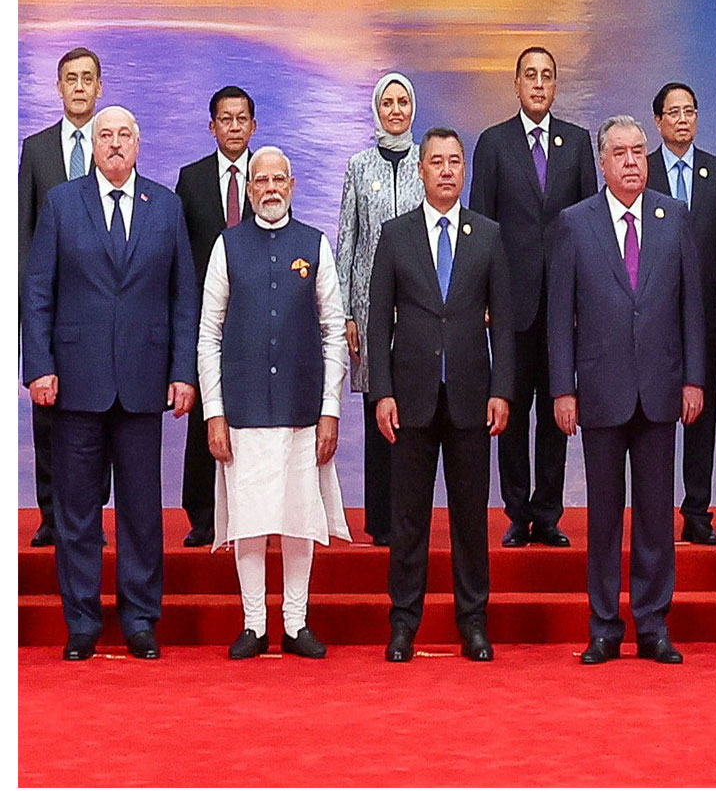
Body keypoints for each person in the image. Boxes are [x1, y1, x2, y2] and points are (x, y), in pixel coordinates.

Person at [23, 105, 198, 661]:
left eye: (125, 135)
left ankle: (141, 619)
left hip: (145, 383)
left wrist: (182, 372)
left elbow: (183, 298)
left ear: (138, 144)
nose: (116, 144)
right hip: (74, 381)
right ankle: (82, 622)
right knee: (76, 511)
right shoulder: (60, 204)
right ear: (92, 145)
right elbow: (38, 292)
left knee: (143, 510)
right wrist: (38, 365)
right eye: (106, 135)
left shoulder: (166, 207)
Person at [548, 115, 705, 664]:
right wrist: (562, 390)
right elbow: (559, 313)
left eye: (639, 151)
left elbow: (692, 306)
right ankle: (604, 626)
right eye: (621, 153)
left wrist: (693, 377)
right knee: (605, 512)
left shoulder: (673, 217)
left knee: (658, 513)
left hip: (661, 388)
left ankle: (653, 623)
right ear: (603, 162)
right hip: (599, 389)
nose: (633, 161)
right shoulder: (575, 222)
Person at [197, 146, 350, 660]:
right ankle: (254, 623)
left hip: (302, 409)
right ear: (250, 187)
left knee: (298, 516)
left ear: (292, 184)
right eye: (260, 180)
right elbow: (208, 334)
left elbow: (334, 332)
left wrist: (331, 409)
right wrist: (213, 411)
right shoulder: (228, 246)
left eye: (278, 179)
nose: (269, 188)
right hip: (242, 410)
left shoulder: (315, 244)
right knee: (251, 520)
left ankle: (296, 621)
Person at [371, 128, 514, 663]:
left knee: (471, 516)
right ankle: (404, 622)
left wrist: (503, 389)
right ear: (421, 171)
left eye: (456, 161)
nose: (448, 170)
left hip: (472, 398)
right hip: (410, 398)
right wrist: (381, 392)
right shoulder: (395, 235)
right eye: (437, 162)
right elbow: (376, 317)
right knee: (408, 518)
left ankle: (473, 623)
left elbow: (503, 324)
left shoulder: (488, 234)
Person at [470, 46, 597, 548]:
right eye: (530, 76)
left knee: (556, 410)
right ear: (516, 84)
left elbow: (590, 224)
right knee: (513, 408)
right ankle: (516, 513)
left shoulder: (577, 142)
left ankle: (548, 514)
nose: (539, 84)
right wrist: (481, 294)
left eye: (548, 76)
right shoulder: (494, 143)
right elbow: (480, 225)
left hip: (564, 307)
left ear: (556, 85)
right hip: (511, 303)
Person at [647, 81, 716, 546]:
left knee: (700, 423)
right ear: (659, 122)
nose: (683, 119)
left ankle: (698, 512)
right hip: (654, 326)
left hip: (707, 324)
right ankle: (655, 513)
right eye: (673, 112)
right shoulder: (640, 172)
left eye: (690, 110)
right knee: (658, 424)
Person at [18, 46, 104, 548]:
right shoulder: (36, 149)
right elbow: (23, 233)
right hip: (50, 307)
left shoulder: (116, 141)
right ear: (58, 86)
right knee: (47, 414)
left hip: (104, 307)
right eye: (70, 78)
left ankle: (90, 512)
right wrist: (28, 313)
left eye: (86, 78)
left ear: (99, 86)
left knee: (100, 412)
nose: (78, 86)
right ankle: (51, 514)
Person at [336, 72, 425, 547]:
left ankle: (412, 518)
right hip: (370, 311)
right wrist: (347, 313)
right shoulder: (359, 166)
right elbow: (346, 241)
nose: (395, 110)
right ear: (377, 109)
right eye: (387, 102)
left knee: (415, 410)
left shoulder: (427, 161)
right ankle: (382, 520)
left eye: (402, 102)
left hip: (418, 308)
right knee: (379, 409)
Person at [175, 85, 257, 548]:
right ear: (212, 127)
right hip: (206, 317)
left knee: (252, 418)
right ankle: (203, 516)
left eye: (241, 119)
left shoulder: (267, 175)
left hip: (256, 316)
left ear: (253, 125)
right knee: (205, 415)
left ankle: (250, 512)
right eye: (225, 119)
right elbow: (179, 251)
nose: (233, 127)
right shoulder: (191, 179)